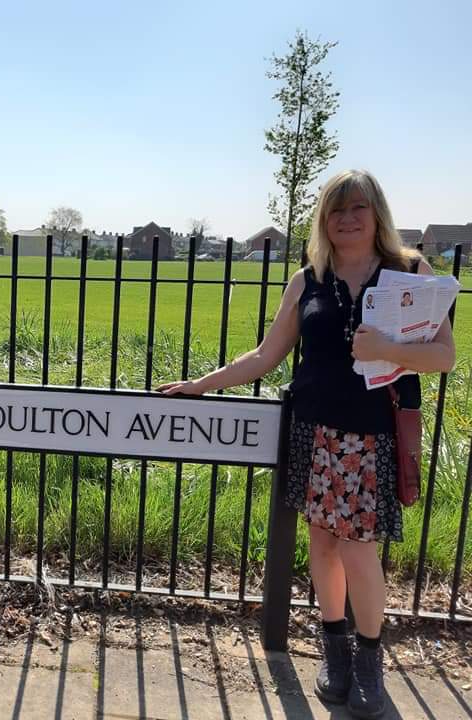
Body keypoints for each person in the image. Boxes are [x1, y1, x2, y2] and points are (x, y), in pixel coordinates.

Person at [157, 169, 455, 719]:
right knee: (322, 544)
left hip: (372, 436)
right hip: (313, 431)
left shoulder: (410, 272)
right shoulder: (308, 279)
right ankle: (334, 648)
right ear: (323, 219)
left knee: (358, 549)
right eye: (336, 210)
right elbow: (265, 355)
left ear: (376, 213)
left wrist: (387, 348)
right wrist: (200, 384)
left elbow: (444, 357)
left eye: (358, 207)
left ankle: (369, 660)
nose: (347, 219)